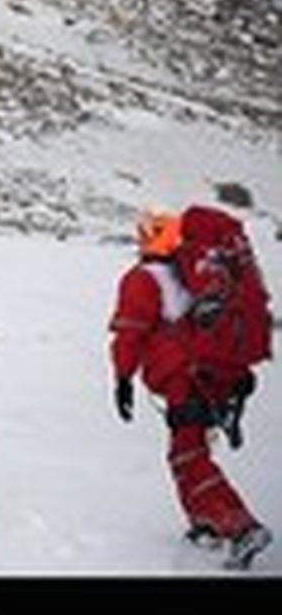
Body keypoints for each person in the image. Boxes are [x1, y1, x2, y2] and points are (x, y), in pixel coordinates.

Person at [108, 208, 272, 569]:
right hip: (215, 376)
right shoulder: (187, 274)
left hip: (187, 379)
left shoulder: (145, 278)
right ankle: (206, 523)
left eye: (144, 232)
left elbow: (130, 333)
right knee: (188, 452)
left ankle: (240, 526)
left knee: (188, 455)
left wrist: (122, 378)